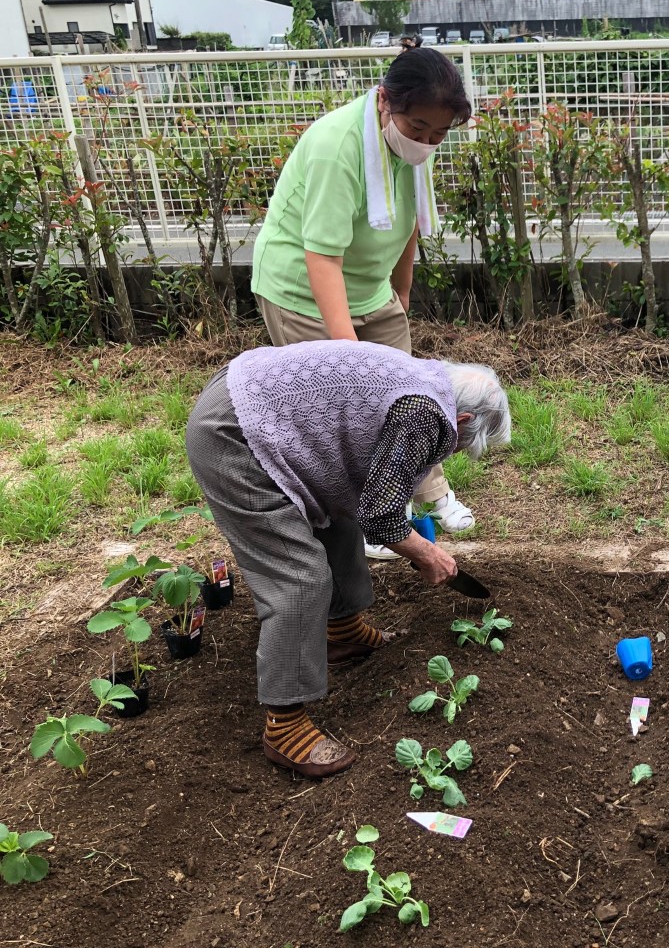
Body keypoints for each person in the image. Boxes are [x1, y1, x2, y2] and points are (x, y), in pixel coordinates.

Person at [186, 340, 511, 778]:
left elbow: (371, 501)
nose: (450, 453)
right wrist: (427, 553)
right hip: (235, 434)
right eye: (457, 445)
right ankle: (285, 726)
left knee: (339, 521)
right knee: (299, 577)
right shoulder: (424, 413)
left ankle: (342, 632)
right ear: (462, 420)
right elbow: (380, 516)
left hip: (260, 408)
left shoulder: (433, 383)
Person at [250, 46, 477, 559]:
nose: (425, 143)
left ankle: (432, 493)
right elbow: (322, 257)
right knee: (343, 405)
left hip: (369, 287)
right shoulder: (338, 146)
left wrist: (400, 287)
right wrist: (351, 360)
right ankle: (363, 519)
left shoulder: (412, 146)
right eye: (417, 128)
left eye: (438, 134)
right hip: (303, 292)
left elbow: (409, 220)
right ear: (384, 102)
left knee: (411, 394)